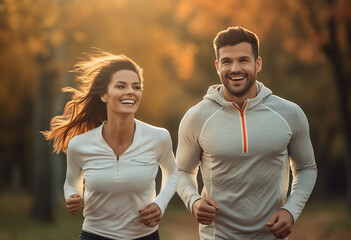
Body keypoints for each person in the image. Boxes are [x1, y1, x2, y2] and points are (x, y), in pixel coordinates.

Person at [176, 26, 317, 240]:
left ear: (257, 63)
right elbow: (181, 171)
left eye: (243, 60)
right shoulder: (197, 117)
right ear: (217, 66)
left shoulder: (289, 113)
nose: (235, 68)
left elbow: (306, 167)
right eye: (227, 61)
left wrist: (291, 210)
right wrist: (193, 201)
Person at [43, 52, 178, 240]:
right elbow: (70, 181)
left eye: (136, 87)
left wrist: (160, 204)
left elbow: (173, 173)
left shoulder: (158, 137)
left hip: (144, 236)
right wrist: (72, 195)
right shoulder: (80, 145)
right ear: (104, 95)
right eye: (121, 86)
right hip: (95, 235)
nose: (131, 91)